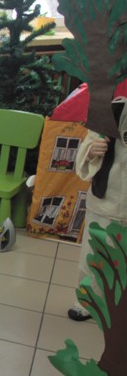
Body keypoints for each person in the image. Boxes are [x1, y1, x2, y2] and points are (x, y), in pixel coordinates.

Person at [67, 92, 127, 321]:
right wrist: (92, 150)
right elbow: (86, 147)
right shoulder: (111, 110)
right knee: (94, 254)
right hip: (106, 198)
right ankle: (87, 301)